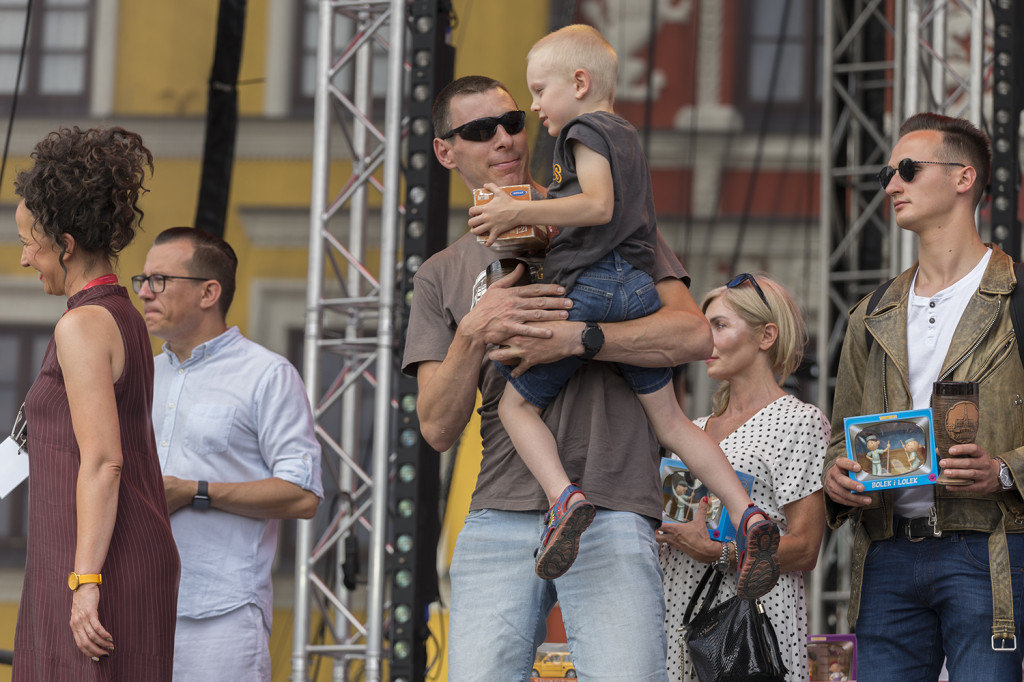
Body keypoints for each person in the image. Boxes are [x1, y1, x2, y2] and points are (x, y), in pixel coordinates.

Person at [404, 73, 707, 680]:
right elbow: (436, 427)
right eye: (478, 130)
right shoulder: (441, 273)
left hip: (614, 501)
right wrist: (474, 331)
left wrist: (584, 339)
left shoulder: (610, 222)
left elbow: (693, 334)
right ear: (446, 151)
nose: (503, 139)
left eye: (513, 122)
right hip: (501, 510)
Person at [467, 24, 780, 592]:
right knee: (673, 422)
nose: (534, 106)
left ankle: (564, 498)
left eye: (540, 91)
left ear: (580, 82)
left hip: (593, 285)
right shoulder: (625, 135)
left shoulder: (583, 130)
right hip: (637, 288)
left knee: (514, 405)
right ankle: (748, 512)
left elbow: (597, 204)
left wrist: (519, 213)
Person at [822, 113, 1024, 679]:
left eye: (908, 170)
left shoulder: (1016, 299)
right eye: (889, 172)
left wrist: (1004, 471)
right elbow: (842, 432)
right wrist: (835, 474)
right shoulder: (871, 312)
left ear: (964, 178)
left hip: (987, 549)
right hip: (887, 551)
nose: (891, 185)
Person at [11, 126, 180, 680]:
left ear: (64, 244)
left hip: (96, 563)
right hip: (101, 555)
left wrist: (84, 582)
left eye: (29, 243)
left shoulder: (84, 324)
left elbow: (105, 461)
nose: (22, 260)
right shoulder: (122, 315)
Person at [133, 227, 324, 682]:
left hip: (221, 614)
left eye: (159, 280)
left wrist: (196, 491)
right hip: (134, 608)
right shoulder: (139, 375)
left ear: (208, 292)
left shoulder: (267, 375)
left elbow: (303, 495)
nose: (143, 292)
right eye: (141, 279)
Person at [659, 274, 828, 682]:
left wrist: (721, 554)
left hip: (752, 620)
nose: (705, 340)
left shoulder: (798, 421)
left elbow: (805, 549)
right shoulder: (689, 430)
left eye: (719, 325)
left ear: (766, 336)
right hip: (677, 606)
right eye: (704, 328)